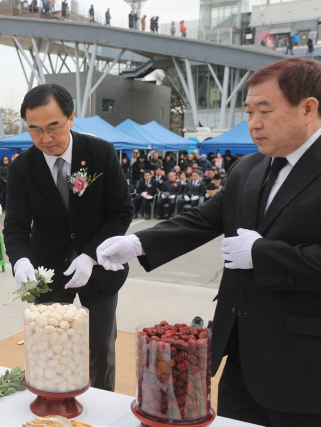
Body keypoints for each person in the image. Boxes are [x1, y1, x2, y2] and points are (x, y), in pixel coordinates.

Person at [95, 57, 321, 427]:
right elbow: (203, 219)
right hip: (240, 358)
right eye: (249, 112)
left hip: (303, 367)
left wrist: (263, 254)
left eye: (265, 111)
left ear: (308, 108)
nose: (254, 124)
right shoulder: (249, 169)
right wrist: (137, 243)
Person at [4, 83, 133, 392]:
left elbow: (121, 212)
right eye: (34, 130)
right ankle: (53, 402)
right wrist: (20, 260)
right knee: (49, 346)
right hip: (47, 269)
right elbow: (16, 225)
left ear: (71, 118)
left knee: (101, 347)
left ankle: (101, 407)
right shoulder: (23, 167)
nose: (45, 139)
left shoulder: (99, 152)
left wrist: (90, 255)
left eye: (53, 127)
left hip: (99, 269)